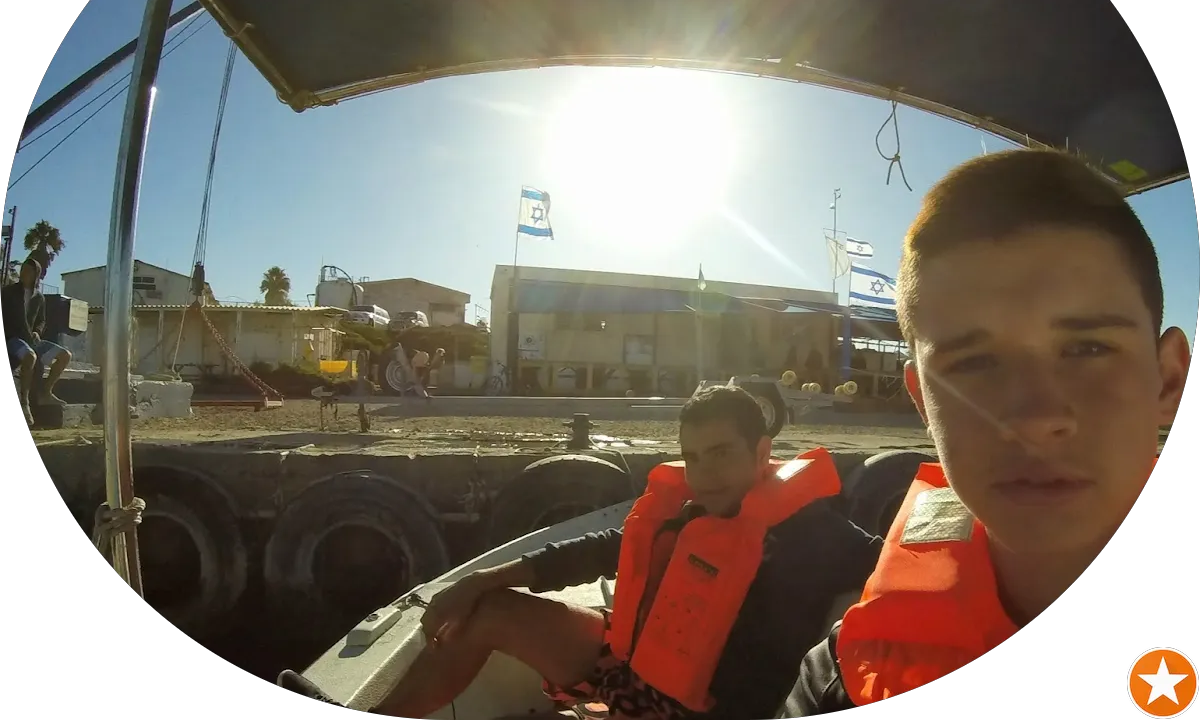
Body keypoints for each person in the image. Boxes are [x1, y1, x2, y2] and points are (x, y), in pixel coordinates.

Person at [777, 148, 1189, 715]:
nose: (1034, 419)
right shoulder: (848, 676)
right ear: (923, 400)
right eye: (973, 363)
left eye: (1088, 349)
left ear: (1167, 380)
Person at [280, 385, 883, 718]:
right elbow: (605, 548)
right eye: (692, 458)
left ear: (763, 453)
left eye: (721, 454)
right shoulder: (693, 511)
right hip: (634, 666)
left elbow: (894, 568)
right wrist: (483, 578)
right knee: (489, 610)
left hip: (701, 711)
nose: (703, 474)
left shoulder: (819, 534)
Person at [3, 256, 72, 423]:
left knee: (65, 355)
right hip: (13, 338)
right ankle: (24, 402)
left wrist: (37, 331)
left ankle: (46, 392)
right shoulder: (8, 292)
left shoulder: (39, 297)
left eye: (28, 271)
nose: (24, 273)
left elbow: (41, 320)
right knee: (30, 356)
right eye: (23, 270)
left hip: (32, 340)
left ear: (36, 274)